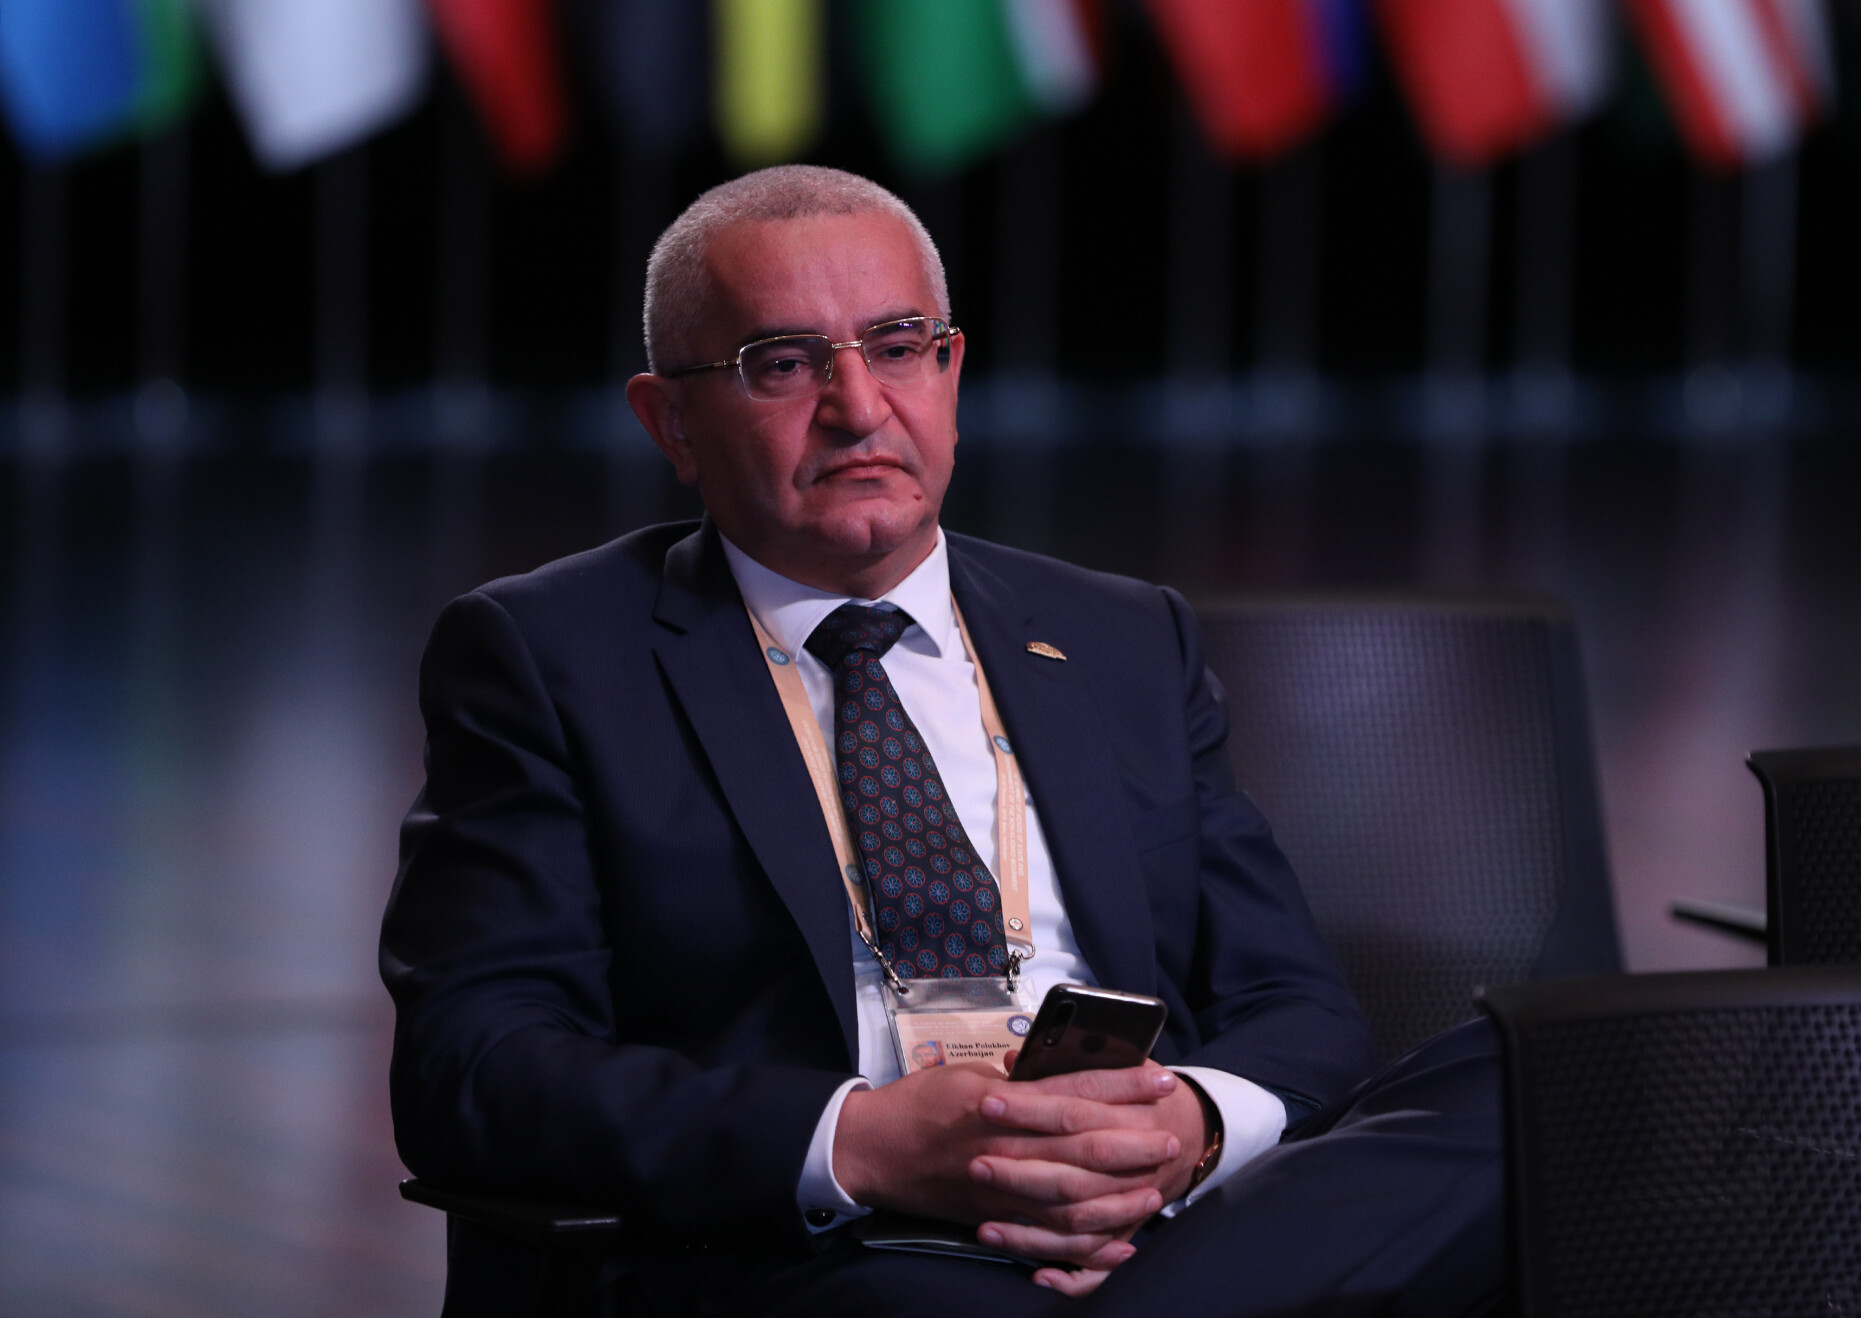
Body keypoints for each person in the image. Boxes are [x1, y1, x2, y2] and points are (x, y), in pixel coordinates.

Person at [380, 165, 1505, 1317]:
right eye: (784, 363)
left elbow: (1298, 1006)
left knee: (1515, 1086)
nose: (859, 407)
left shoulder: (1119, 636)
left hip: (1151, 1213)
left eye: (898, 347)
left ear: (951, 371)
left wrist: (1188, 1130)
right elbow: (474, 1065)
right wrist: (863, 1141)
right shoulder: (550, 655)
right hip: (838, 1248)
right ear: (672, 421)